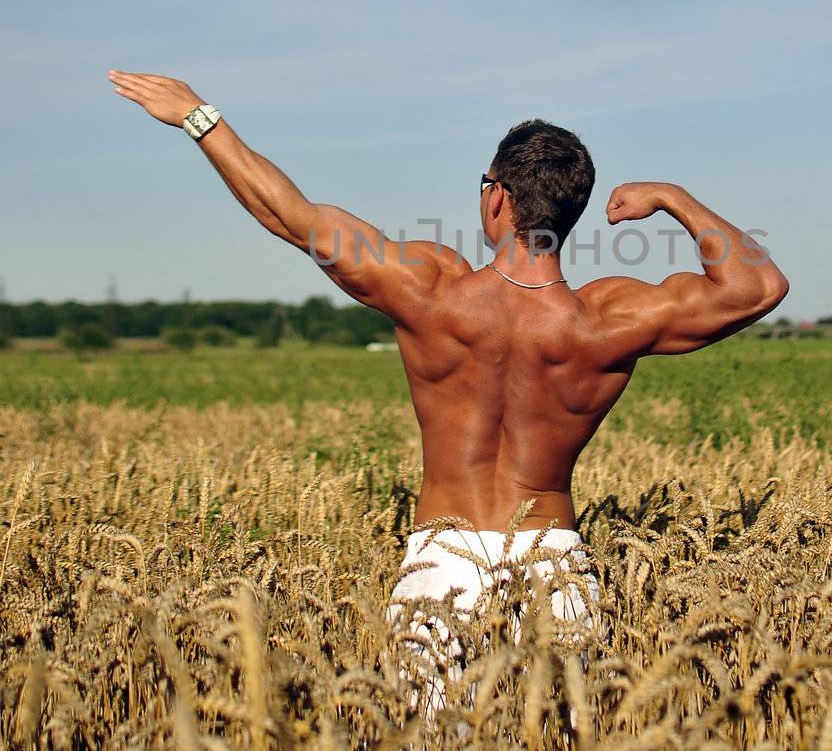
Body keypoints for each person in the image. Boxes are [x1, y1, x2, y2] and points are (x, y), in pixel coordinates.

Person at [107, 71, 789, 700]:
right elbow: (758, 287)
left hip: (443, 563)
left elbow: (290, 215)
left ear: (495, 194)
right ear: (571, 209)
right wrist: (672, 198)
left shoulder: (431, 292)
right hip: (553, 566)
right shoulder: (605, 320)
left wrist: (199, 118)